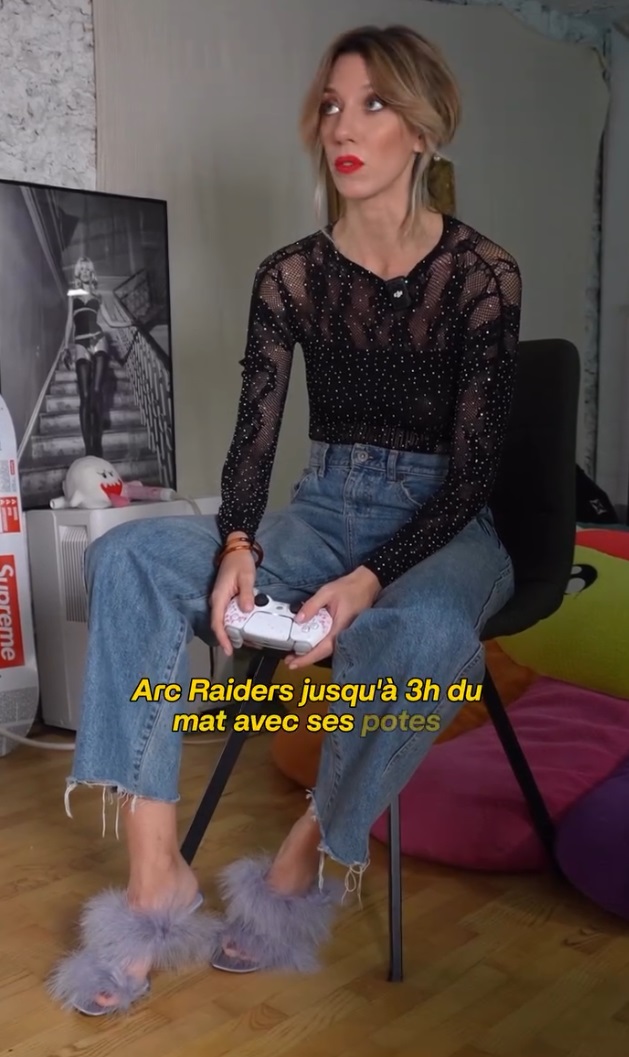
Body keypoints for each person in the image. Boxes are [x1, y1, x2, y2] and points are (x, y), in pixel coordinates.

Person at [48, 23, 522, 1014]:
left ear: (422, 127)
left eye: (372, 104)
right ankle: (154, 877)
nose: (341, 127)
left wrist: (368, 579)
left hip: (444, 525)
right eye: (330, 105)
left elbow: (474, 471)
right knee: (131, 557)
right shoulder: (290, 276)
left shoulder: (482, 275)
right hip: (321, 507)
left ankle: (302, 853)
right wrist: (237, 541)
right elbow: (255, 440)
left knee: (421, 633)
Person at [62, 256, 130, 457]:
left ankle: (97, 444)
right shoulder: (73, 294)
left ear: (91, 273)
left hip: (98, 338)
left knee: (97, 391)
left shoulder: (98, 296)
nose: (84, 272)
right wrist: (65, 347)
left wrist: (130, 323)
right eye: (81, 269)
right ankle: (89, 449)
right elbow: (69, 322)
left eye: (87, 269)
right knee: (85, 396)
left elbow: (110, 321)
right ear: (78, 273)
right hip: (80, 342)